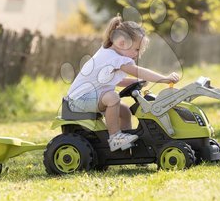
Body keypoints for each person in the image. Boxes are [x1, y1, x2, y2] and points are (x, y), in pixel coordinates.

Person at [66, 14, 180, 152]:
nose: (138, 54)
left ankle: (126, 146)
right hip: (79, 99)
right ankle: (115, 138)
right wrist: (164, 78)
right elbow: (138, 71)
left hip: (90, 96)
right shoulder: (113, 58)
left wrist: (134, 82)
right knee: (113, 97)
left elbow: (112, 80)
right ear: (121, 43)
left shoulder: (112, 54)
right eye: (137, 49)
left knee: (125, 111)